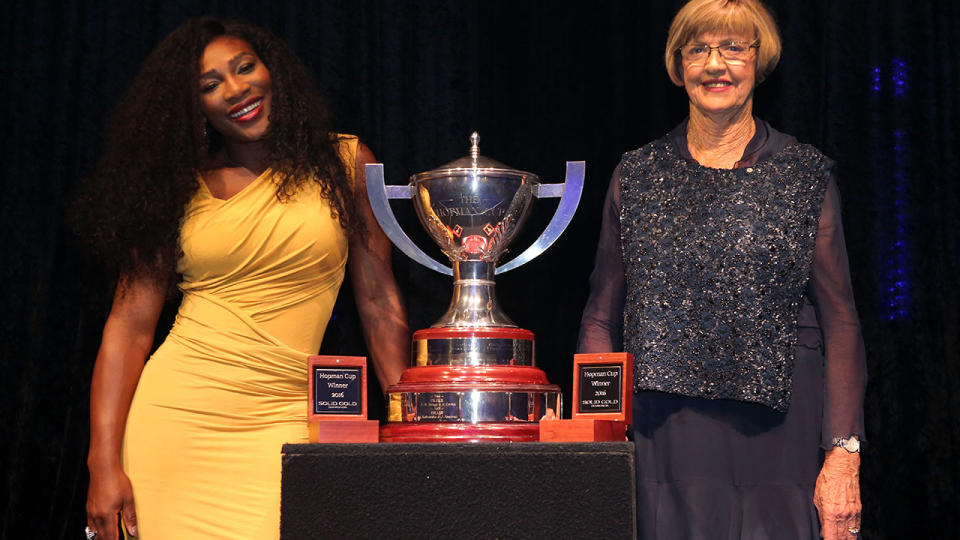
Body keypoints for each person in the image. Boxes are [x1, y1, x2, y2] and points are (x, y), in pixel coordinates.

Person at [75, 18, 409, 539]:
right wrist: (102, 463)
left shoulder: (346, 162)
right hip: (177, 420)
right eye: (209, 85)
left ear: (272, 68)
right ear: (195, 108)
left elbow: (378, 297)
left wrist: (408, 415)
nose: (236, 90)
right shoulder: (176, 187)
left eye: (244, 67)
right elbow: (129, 325)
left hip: (291, 421)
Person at [577, 1, 866, 538]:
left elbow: (841, 322)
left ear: (759, 61)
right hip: (663, 444)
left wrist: (844, 456)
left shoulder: (805, 174)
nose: (716, 64)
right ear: (678, 64)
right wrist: (599, 434)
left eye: (734, 48)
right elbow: (600, 318)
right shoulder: (636, 174)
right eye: (699, 49)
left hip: (782, 446)